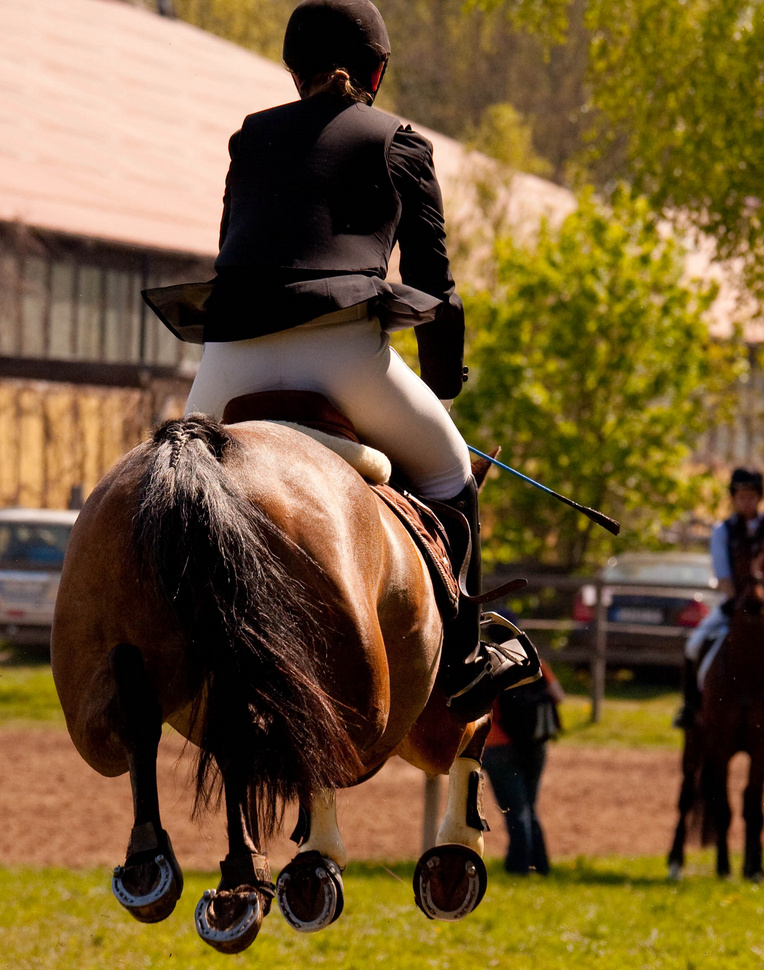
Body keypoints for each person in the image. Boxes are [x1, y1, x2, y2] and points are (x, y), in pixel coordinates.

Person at [144, 0, 539, 718]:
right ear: (378, 72)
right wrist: (442, 388)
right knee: (452, 473)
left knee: (179, 498)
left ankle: (162, 642)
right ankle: (464, 661)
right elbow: (435, 290)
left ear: (292, 72)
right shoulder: (399, 142)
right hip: (344, 354)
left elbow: (239, 248)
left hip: (228, 356)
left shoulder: (251, 138)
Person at [677, 467, 764, 739]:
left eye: (751, 496)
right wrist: (736, 600)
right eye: (741, 496)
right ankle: (690, 708)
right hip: (731, 604)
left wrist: (759, 595)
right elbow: (722, 573)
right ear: (733, 498)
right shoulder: (722, 531)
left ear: (759, 497)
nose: (746, 501)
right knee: (693, 646)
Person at [483, 649, 563, 875]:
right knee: (528, 807)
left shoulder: (488, 662)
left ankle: (518, 867)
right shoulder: (534, 659)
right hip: (534, 744)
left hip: (498, 746)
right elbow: (558, 695)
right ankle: (540, 865)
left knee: (516, 810)